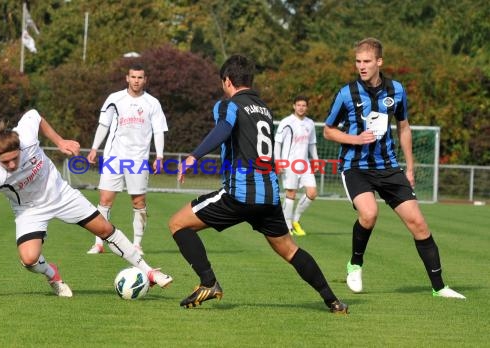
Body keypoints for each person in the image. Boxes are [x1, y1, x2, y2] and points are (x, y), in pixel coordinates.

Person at [168, 55, 348, 313]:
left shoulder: (228, 105)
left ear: (227, 80)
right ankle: (333, 301)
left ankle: (209, 283)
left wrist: (192, 157)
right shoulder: (264, 108)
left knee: (177, 224)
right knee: (289, 249)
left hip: (240, 193)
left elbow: (223, 129)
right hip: (269, 196)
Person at [0, 109, 172, 297]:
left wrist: (60, 140)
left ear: (19, 147)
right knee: (29, 259)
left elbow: (36, 115)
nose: (12, 165)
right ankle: (51, 272)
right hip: (29, 210)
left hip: (60, 193)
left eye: (15, 158)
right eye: (6, 162)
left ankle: (149, 272)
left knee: (105, 229)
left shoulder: (26, 135)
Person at [323, 37, 465, 299]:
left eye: (366, 61)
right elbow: (328, 132)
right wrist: (355, 139)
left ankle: (439, 287)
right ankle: (355, 264)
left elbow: (404, 127)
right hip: (356, 167)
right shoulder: (346, 93)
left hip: (388, 167)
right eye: (358, 61)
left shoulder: (396, 90)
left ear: (379, 62)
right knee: (369, 214)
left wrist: (409, 168)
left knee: (419, 224)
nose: (361, 66)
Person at [86, 63, 168, 256]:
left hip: (138, 159)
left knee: (138, 201)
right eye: (133, 77)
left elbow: (159, 131)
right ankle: (98, 243)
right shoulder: (114, 99)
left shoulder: (152, 103)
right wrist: (94, 148)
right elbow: (103, 125)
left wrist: (160, 156)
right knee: (105, 200)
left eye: (140, 77)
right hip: (114, 156)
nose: (136, 81)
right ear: (127, 78)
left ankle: (137, 244)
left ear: (145, 79)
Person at [274, 95, 319, 236]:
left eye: (304, 105)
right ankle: (287, 226)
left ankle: (295, 220)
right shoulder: (286, 122)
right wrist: (278, 161)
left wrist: (316, 160)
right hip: (289, 163)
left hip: (304, 164)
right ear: (294, 106)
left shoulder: (310, 123)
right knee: (291, 194)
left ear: (307, 107)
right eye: (298, 105)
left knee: (312, 192)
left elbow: (312, 144)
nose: (301, 108)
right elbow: (278, 142)